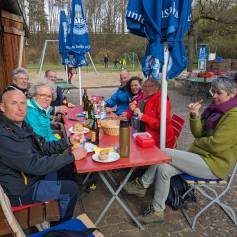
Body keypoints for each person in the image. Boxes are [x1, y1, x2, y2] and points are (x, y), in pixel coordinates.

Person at [124, 76, 237, 224]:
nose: (213, 96)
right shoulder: (214, 110)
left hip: (214, 164)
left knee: (164, 151)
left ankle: (142, 184)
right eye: (213, 91)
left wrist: (199, 141)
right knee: (164, 168)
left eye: (218, 93)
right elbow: (197, 133)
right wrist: (194, 115)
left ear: (232, 94)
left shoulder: (233, 116)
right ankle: (157, 211)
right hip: (199, 156)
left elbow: (215, 145)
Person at [0, 88, 87, 222]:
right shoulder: (4, 136)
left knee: (67, 168)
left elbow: (43, 145)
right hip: (21, 191)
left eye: (23, 103)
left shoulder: (20, 125)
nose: (20, 108)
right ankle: (60, 227)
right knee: (71, 189)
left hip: (31, 176)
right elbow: (35, 165)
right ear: (2, 107)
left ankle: (60, 205)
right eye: (14, 103)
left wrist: (68, 141)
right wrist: (72, 156)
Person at [131, 78, 175, 148]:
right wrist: (134, 108)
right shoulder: (148, 97)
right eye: (145, 86)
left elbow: (161, 125)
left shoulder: (162, 101)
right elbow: (140, 110)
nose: (146, 88)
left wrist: (142, 117)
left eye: (150, 86)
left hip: (160, 141)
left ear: (157, 87)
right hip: (147, 135)